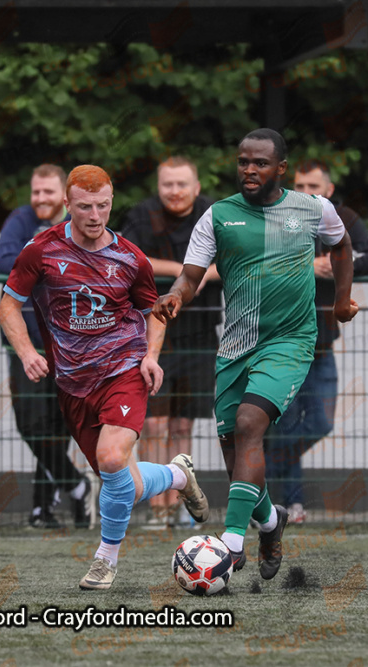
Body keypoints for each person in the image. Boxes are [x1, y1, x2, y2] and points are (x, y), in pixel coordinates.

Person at [152, 129, 358, 582]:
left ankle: (229, 542)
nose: (249, 169)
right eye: (243, 161)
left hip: (290, 340)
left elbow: (342, 246)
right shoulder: (218, 215)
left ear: (280, 169)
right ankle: (270, 522)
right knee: (234, 450)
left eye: (260, 163)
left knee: (250, 425)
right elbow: (191, 276)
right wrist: (175, 295)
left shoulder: (313, 209)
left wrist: (342, 299)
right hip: (235, 346)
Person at [0, 164, 209, 590]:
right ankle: (178, 476)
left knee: (112, 461)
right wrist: (26, 352)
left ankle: (104, 561)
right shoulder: (41, 250)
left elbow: (156, 312)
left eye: (102, 206)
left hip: (123, 370)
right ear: (67, 204)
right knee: (124, 486)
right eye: (84, 207)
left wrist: (150, 357)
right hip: (73, 383)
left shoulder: (130, 258)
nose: (95, 215)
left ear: (111, 202)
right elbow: (8, 304)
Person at [265, 160, 368, 524]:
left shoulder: (343, 216)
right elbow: (256, 264)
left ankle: (261, 471)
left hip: (321, 342)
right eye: (299, 186)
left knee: (320, 423)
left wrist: (331, 264)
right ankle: (291, 506)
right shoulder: (275, 215)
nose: (305, 193)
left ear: (328, 191)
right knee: (285, 424)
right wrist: (306, 266)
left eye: (313, 187)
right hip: (279, 340)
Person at [119, 156, 220, 529]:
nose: (175, 191)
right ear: (158, 187)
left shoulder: (215, 213)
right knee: (156, 426)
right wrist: (186, 273)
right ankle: (156, 505)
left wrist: (203, 274)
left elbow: (232, 260)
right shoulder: (142, 216)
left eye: (182, 184)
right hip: (152, 334)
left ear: (196, 186)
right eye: (168, 184)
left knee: (181, 426)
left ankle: (182, 501)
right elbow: (133, 258)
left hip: (200, 333)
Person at [0, 164, 91, 530]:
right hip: (26, 344)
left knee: (57, 426)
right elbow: (3, 261)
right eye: (36, 192)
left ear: (64, 196)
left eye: (48, 192)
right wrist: (53, 259)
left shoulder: (81, 219)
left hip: (71, 343)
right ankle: (76, 485)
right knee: (30, 424)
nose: (40, 199)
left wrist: (38, 260)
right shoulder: (19, 219)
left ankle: (43, 509)